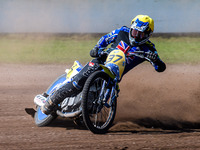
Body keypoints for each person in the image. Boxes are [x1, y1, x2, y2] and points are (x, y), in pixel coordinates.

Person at [41, 14, 166, 115]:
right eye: (134, 32)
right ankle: (51, 101)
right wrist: (96, 48)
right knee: (77, 83)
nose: (136, 36)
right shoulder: (122, 31)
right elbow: (105, 38)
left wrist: (156, 60)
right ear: (131, 28)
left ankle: (82, 114)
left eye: (141, 34)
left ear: (148, 34)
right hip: (100, 62)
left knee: (95, 108)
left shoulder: (149, 48)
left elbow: (160, 68)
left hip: (114, 76)